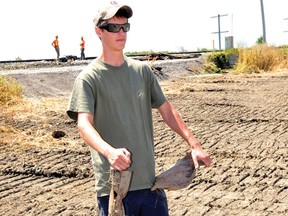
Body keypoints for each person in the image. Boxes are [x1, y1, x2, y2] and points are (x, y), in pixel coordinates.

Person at [67, 1, 212, 215]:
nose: (121, 32)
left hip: (151, 186)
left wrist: (194, 144)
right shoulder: (89, 78)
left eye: (125, 26)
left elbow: (168, 111)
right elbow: (83, 125)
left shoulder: (142, 71)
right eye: (113, 27)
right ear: (99, 31)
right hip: (116, 191)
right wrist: (109, 152)